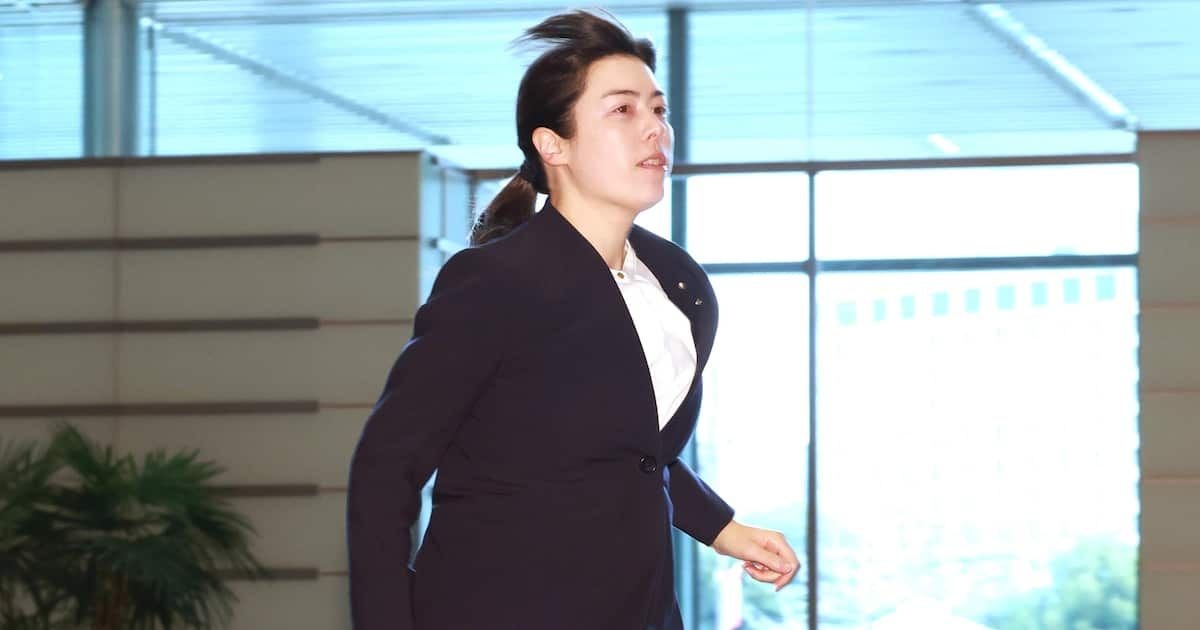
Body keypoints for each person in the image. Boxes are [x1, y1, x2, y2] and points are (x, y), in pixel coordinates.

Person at [346, 9, 799, 630]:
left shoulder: (678, 284)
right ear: (552, 145)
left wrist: (723, 529)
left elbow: (634, 453)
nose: (655, 129)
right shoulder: (492, 282)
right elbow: (386, 469)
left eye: (658, 109)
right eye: (623, 110)